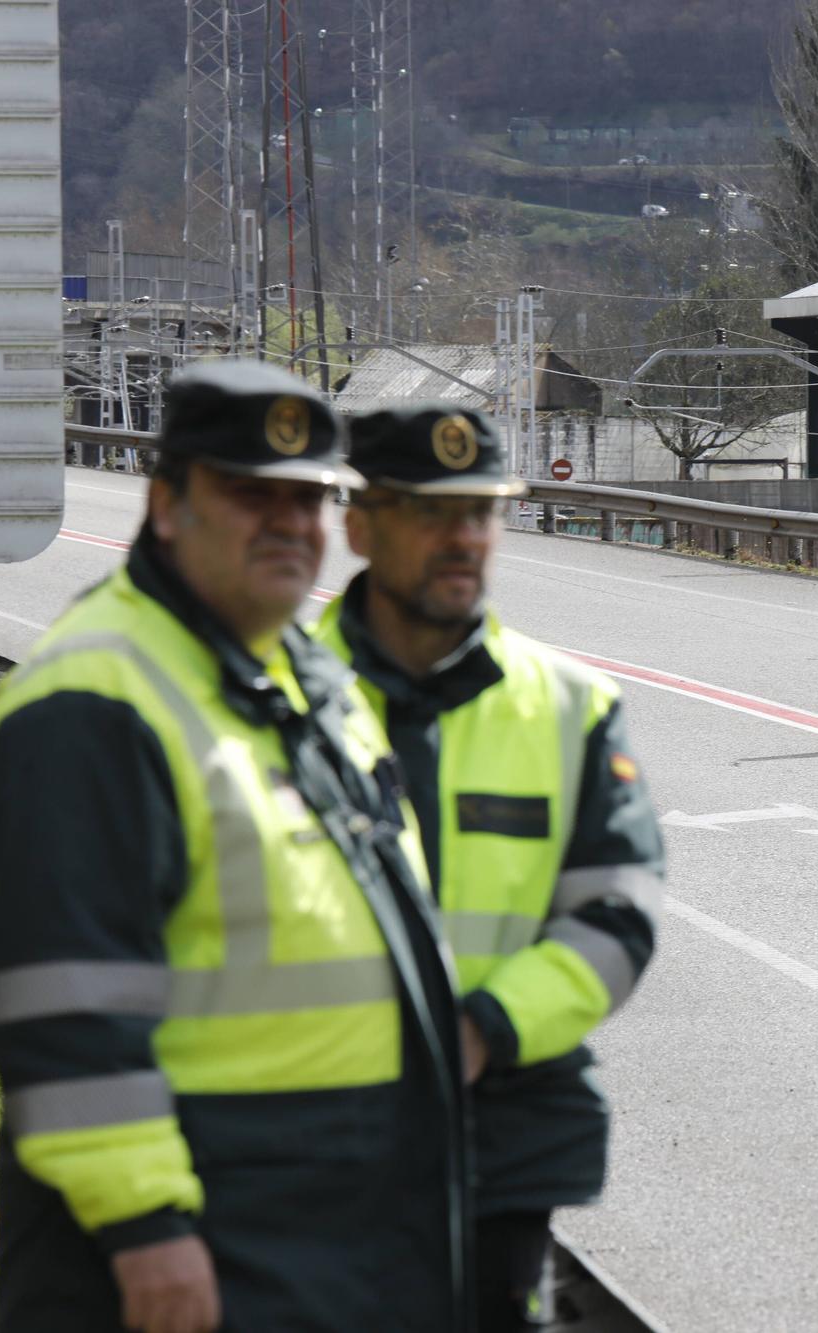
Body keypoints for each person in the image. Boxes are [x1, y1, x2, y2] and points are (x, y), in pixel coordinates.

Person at [0, 360, 471, 1333]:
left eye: (308, 497)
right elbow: (68, 1006)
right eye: (251, 493)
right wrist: (143, 1226)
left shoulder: (302, 677)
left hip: (325, 1227)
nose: (288, 521)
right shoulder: (94, 703)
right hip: (199, 1242)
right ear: (166, 504)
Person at [314, 403, 664, 1332]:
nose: (463, 537)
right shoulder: (276, 698)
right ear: (359, 523)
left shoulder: (570, 705)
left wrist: (485, 1029)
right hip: (308, 1140)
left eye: (481, 512)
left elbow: (618, 916)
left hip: (501, 1134)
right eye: (432, 513)